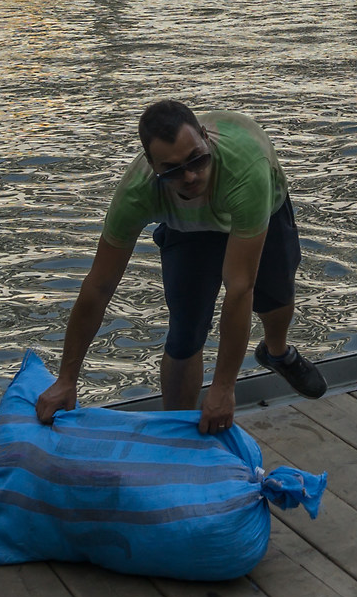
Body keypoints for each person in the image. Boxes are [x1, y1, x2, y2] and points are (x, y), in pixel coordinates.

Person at [37, 100, 326, 434]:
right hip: (188, 227)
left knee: (274, 300)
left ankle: (276, 352)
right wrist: (66, 379)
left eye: (197, 160)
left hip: (257, 203)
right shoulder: (137, 192)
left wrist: (223, 388)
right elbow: (98, 286)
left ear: (205, 138)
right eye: (173, 170)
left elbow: (239, 287)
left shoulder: (247, 171)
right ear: (152, 166)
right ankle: (177, 434)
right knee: (185, 330)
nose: (190, 176)